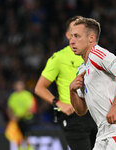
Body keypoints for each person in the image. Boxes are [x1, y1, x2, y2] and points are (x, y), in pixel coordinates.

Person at [69, 17, 116, 150]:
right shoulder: (82, 69)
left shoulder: (97, 53)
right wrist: (72, 91)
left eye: (77, 36)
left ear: (91, 38)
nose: (72, 41)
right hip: (103, 132)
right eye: (71, 37)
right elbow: (81, 110)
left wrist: (115, 105)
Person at [34, 16, 97, 150]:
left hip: (96, 113)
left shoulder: (95, 54)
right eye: (75, 31)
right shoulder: (59, 58)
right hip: (74, 116)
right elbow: (39, 88)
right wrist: (58, 103)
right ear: (68, 35)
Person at [7, 80, 36, 150]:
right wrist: (12, 117)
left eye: (20, 85)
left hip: (27, 120)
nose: (19, 87)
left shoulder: (28, 95)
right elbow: (9, 109)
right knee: (18, 137)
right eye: (17, 85)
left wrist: (21, 115)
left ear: (23, 86)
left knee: (26, 137)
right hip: (17, 120)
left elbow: (32, 109)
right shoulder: (13, 96)